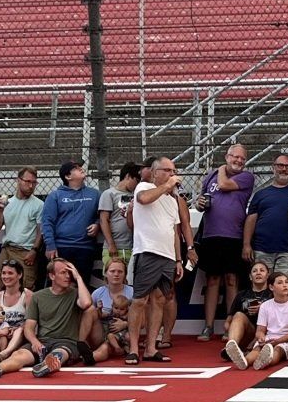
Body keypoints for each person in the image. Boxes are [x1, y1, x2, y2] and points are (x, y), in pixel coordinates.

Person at [128, 155, 195, 363]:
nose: (172, 174)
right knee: (140, 300)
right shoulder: (144, 187)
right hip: (148, 251)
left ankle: (150, 347)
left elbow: (174, 231)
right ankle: (133, 348)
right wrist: (167, 186)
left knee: (159, 300)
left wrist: (178, 259)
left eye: (173, 171)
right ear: (155, 172)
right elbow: (144, 199)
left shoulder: (172, 201)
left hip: (167, 256)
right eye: (167, 170)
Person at [0, 257, 94, 378]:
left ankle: (47, 365)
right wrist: (34, 341)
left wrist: (78, 277)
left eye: (69, 272)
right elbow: (29, 327)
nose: (68, 276)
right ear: (52, 276)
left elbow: (86, 303)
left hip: (66, 342)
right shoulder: (38, 296)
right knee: (19, 355)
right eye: (63, 272)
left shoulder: (76, 293)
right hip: (42, 341)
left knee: (59, 354)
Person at [194, 142, 255, 339]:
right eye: (235, 156)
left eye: (242, 158)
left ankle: (230, 326)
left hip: (234, 236)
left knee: (231, 280)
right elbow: (202, 200)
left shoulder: (246, 177)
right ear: (227, 156)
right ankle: (208, 326)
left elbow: (224, 185)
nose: (238, 160)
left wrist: (221, 169)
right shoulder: (209, 177)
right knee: (212, 280)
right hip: (211, 235)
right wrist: (199, 203)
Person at [244, 151, 288, 289]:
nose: (284, 169)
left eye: (287, 166)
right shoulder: (261, 194)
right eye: (280, 165)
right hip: (262, 249)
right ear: (273, 168)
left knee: (286, 289)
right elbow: (251, 220)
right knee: (261, 288)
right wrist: (246, 245)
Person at [42, 161, 102, 288]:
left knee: (81, 286)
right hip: (61, 248)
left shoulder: (95, 194)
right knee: (59, 287)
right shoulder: (55, 196)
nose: (81, 169)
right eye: (76, 168)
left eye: (81, 167)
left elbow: (103, 215)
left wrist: (97, 224)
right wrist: (50, 245)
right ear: (68, 176)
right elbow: (47, 222)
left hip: (85, 248)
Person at [0, 167, 44, 287]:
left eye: (34, 182)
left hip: (25, 252)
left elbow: (41, 231)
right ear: (18, 180)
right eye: (27, 181)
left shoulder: (39, 205)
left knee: (25, 289)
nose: (31, 186)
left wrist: (34, 251)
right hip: (7, 250)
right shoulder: (8, 203)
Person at [243, 271, 288, 369]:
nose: (285, 285)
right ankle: (245, 361)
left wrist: (276, 342)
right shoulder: (265, 306)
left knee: (278, 350)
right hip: (269, 338)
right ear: (271, 287)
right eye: (280, 283)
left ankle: (264, 362)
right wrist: (261, 338)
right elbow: (260, 330)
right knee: (257, 348)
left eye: (286, 282)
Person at [223, 260, 275, 367]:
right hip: (248, 333)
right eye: (255, 271)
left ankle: (238, 350)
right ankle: (232, 347)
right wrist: (229, 329)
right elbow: (228, 322)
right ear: (250, 277)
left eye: (262, 270)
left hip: (267, 334)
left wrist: (263, 308)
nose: (258, 273)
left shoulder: (274, 294)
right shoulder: (241, 295)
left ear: (267, 275)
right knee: (239, 315)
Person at [87, 256, 135, 361]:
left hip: (125, 335)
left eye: (120, 271)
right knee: (90, 310)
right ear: (106, 273)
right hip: (102, 332)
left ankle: (91, 357)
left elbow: (143, 322)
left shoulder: (132, 293)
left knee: (105, 348)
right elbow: (89, 317)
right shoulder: (97, 293)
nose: (116, 274)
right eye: (112, 271)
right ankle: (83, 345)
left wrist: (126, 324)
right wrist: (98, 311)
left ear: (125, 274)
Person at [98, 160, 144, 264]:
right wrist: (111, 244)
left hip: (133, 246)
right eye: (136, 181)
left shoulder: (137, 196)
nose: (137, 185)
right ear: (128, 176)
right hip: (116, 245)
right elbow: (104, 220)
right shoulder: (109, 194)